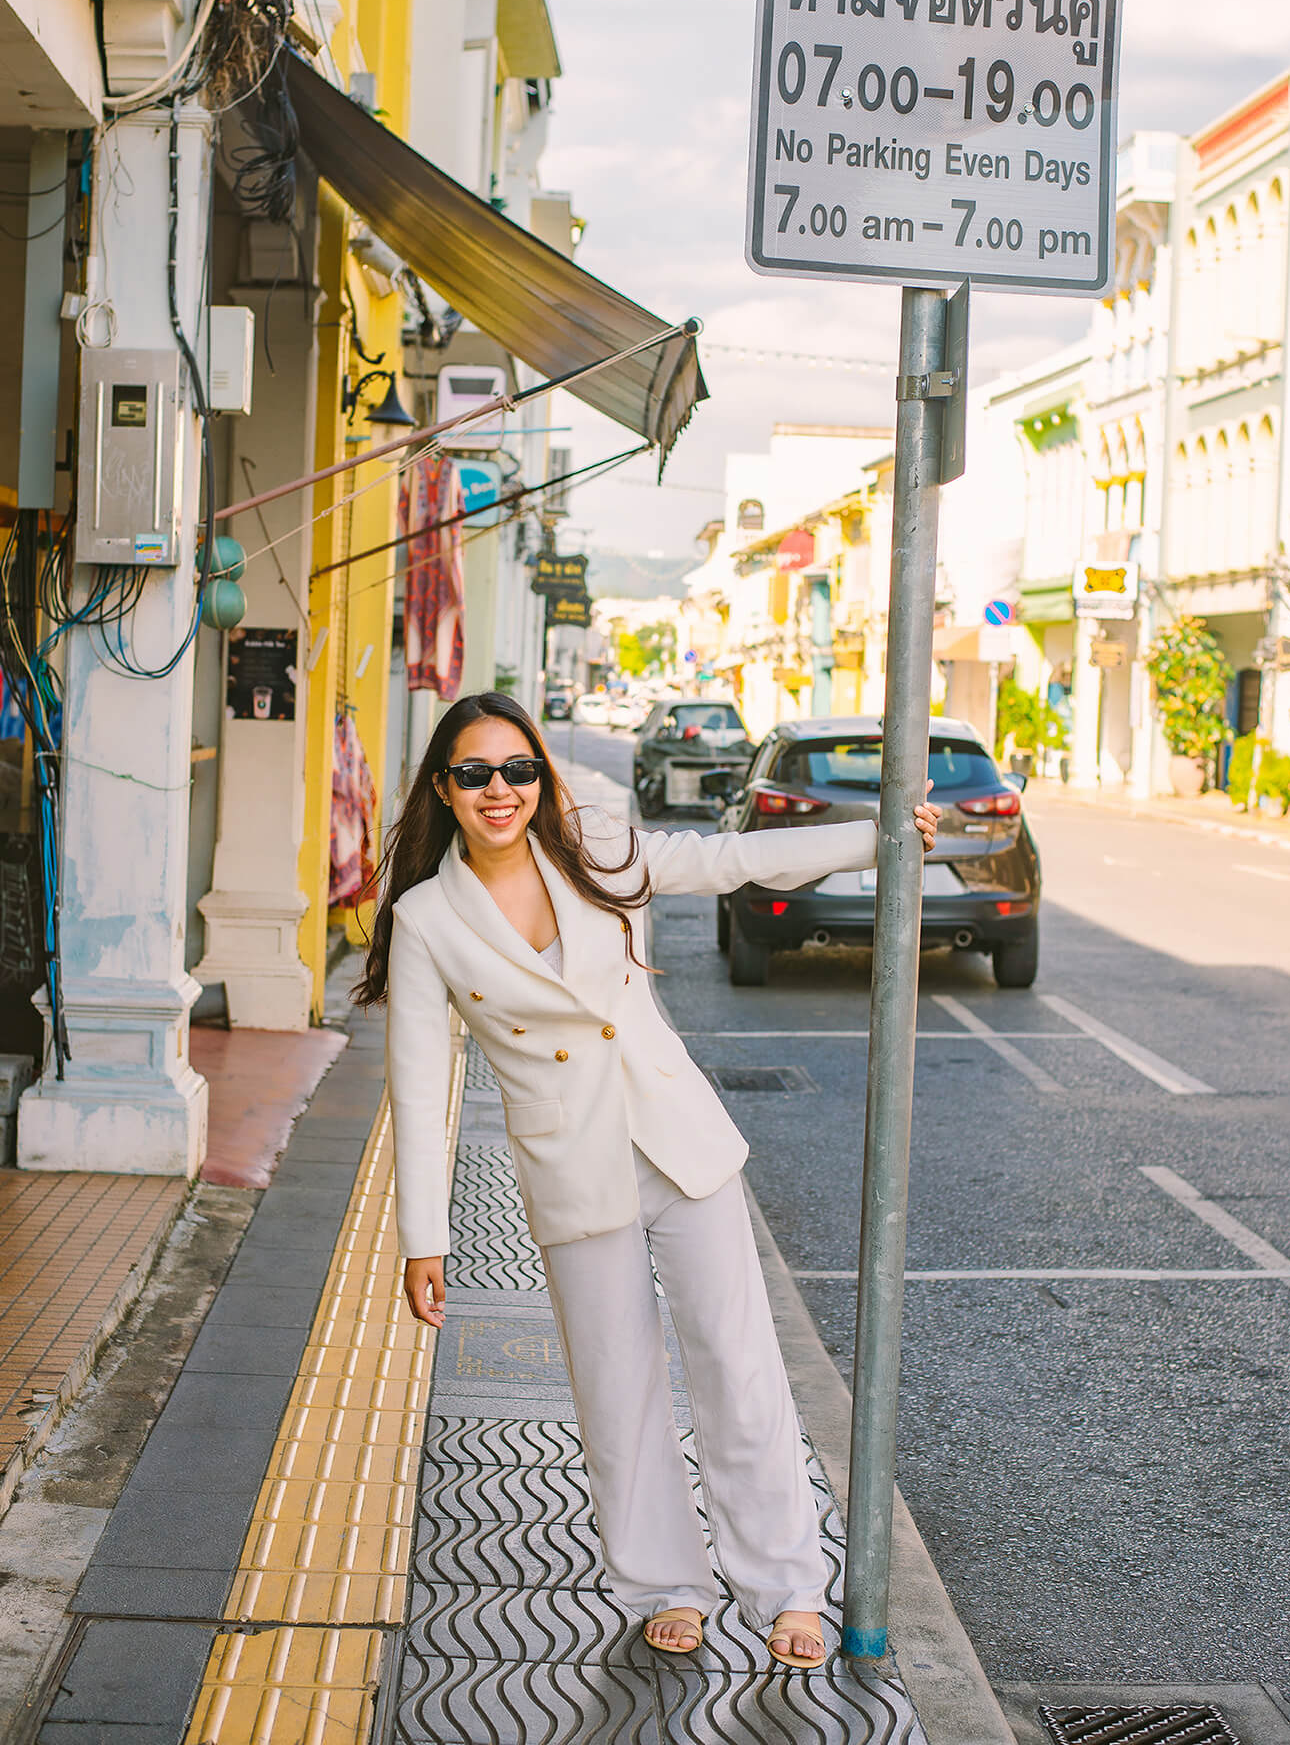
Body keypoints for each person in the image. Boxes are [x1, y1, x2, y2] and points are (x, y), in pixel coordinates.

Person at [353, 691, 941, 1669]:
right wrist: (425, 1235)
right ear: (443, 790)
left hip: (677, 1140)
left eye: (517, 769)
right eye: (473, 773)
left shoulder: (595, 851)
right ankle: (667, 1583)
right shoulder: (424, 918)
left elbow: (731, 859)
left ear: (540, 776)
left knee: (737, 1365)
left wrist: (875, 839)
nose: (499, 789)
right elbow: (418, 1085)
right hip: (570, 1169)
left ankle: (788, 1583)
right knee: (617, 1389)